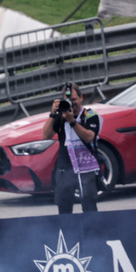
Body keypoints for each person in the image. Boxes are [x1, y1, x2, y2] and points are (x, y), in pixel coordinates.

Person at [42, 82, 103, 214]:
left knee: (89, 205)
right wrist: (53, 114)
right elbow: (46, 135)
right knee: (64, 206)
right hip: (65, 167)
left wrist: (72, 121)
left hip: (86, 166)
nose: (72, 103)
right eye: (68, 100)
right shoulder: (60, 115)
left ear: (81, 97)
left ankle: (93, 233)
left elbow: (89, 137)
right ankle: (67, 233)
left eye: (74, 99)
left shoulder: (90, 114)